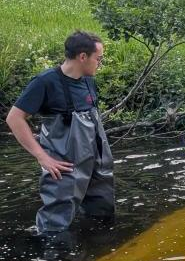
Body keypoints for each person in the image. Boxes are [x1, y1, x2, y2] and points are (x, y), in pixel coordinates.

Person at [5, 30, 115, 233]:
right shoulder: (45, 82)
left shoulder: (89, 80)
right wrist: (42, 157)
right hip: (64, 165)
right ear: (83, 57)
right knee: (55, 225)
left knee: (101, 215)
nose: (100, 63)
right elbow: (14, 118)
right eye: (98, 59)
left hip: (96, 163)